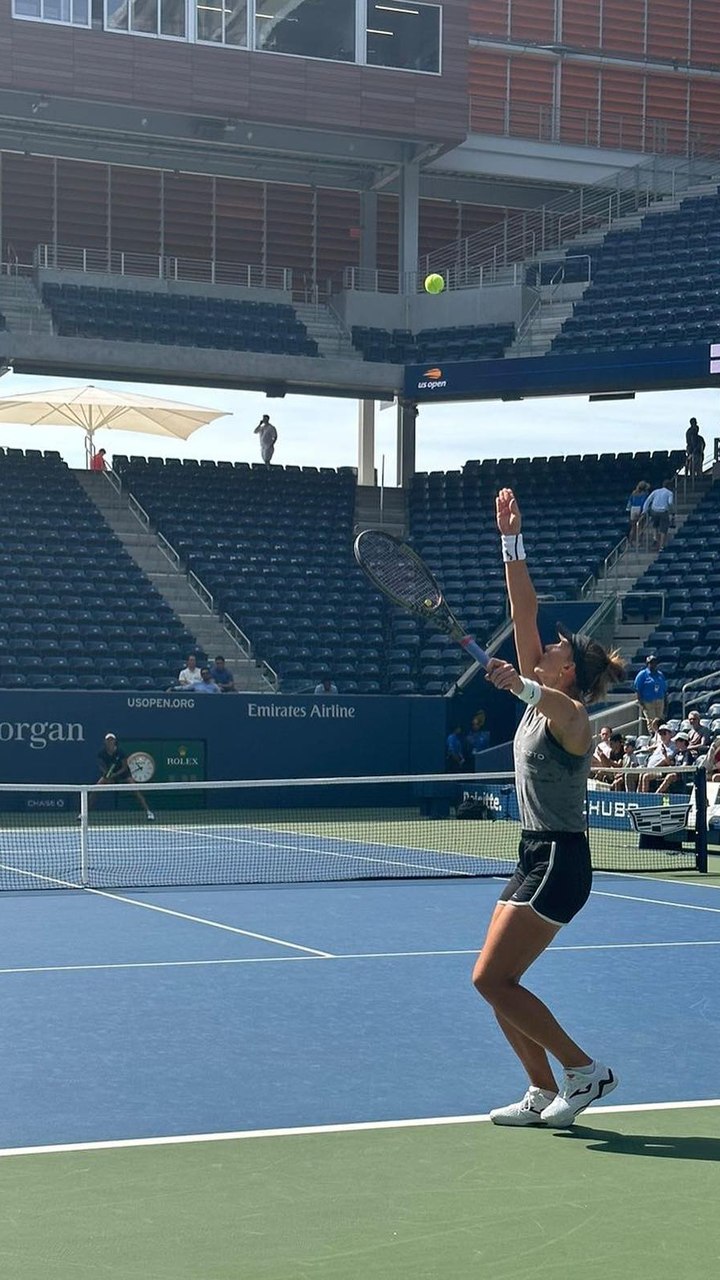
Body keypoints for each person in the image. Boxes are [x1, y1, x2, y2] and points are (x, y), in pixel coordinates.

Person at [474, 487, 624, 1129]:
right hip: (532, 853)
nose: (548, 648)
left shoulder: (572, 715)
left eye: (558, 651)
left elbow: (560, 707)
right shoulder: (545, 695)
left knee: (491, 980)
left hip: (562, 860)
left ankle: (584, 1071)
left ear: (568, 672)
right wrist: (512, 539)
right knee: (494, 983)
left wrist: (522, 682)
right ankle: (540, 1091)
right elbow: (523, 607)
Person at [91, 733, 154, 820]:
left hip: (123, 774)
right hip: (109, 774)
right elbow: (100, 765)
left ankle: (148, 812)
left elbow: (124, 767)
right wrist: (106, 774)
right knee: (96, 789)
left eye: (112, 740)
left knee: (135, 790)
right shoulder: (102, 753)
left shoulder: (120, 752)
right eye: (108, 740)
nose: (110, 742)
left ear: (115, 741)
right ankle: (83, 813)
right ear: (105, 742)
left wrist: (115, 775)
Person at [633, 655, 668, 728]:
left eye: (655, 663)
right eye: (651, 663)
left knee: (660, 720)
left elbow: (664, 689)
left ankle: (660, 734)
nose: (653, 664)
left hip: (660, 700)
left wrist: (665, 701)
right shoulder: (642, 674)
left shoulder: (660, 674)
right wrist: (641, 702)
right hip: (648, 701)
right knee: (651, 721)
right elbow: (638, 689)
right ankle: (653, 735)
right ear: (647, 664)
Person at [638, 725, 676, 792]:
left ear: (670, 734)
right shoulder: (660, 745)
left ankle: (644, 797)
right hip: (650, 768)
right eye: (660, 734)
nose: (662, 736)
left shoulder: (673, 746)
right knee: (639, 774)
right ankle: (637, 796)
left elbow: (665, 760)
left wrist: (653, 768)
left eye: (664, 733)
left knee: (645, 776)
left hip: (660, 770)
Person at [642, 478, 674, 550]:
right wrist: (671, 510)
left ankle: (655, 538)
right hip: (663, 512)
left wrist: (644, 510)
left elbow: (648, 500)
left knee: (655, 525)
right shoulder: (669, 493)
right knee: (663, 529)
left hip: (654, 511)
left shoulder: (655, 491)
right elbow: (670, 503)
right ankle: (661, 546)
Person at [626, 481, 649, 545]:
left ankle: (630, 541)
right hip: (640, 508)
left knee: (633, 527)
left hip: (633, 509)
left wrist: (629, 509)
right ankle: (639, 541)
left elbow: (630, 502)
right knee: (641, 527)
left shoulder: (633, 493)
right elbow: (644, 502)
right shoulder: (645, 494)